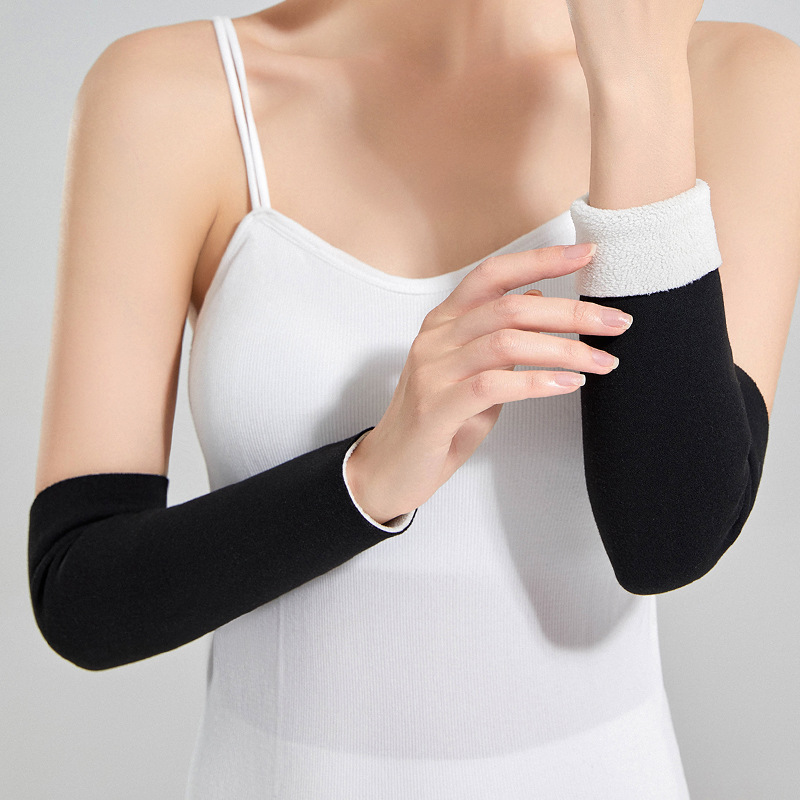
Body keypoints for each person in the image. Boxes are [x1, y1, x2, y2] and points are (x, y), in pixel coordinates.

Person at [28, 2, 798, 797]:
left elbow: (670, 539)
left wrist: (637, 84)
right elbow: (80, 591)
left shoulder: (735, 82)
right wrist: (369, 477)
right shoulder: (174, 91)